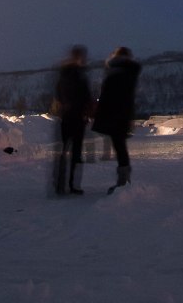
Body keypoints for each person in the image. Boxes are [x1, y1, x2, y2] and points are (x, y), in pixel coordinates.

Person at [92, 46, 141, 193]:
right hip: (123, 114)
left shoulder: (116, 72)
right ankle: (123, 180)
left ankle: (123, 182)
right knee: (120, 147)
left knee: (119, 147)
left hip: (114, 114)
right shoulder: (129, 72)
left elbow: (109, 94)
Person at [53, 44, 93, 195]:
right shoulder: (80, 75)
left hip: (66, 117)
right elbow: (86, 97)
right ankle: (73, 185)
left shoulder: (63, 75)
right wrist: (86, 112)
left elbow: (58, 95)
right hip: (77, 118)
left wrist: (64, 106)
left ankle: (60, 184)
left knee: (63, 151)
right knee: (76, 152)